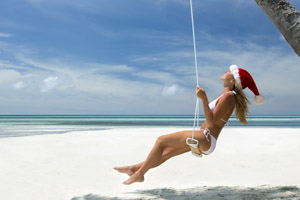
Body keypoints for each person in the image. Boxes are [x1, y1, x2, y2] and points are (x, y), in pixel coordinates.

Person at [114, 65, 265, 185]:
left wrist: (204, 99)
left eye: (230, 72)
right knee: (167, 153)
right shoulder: (226, 96)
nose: (226, 71)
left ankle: (139, 175)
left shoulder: (229, 97)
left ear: (233, 81)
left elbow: (211, 123)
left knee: (161, 140)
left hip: (206, 137)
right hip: (205, 138)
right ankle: (134, 168)